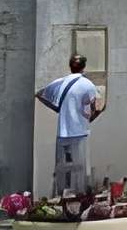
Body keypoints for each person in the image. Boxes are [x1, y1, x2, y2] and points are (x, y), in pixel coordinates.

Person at [35, 52, 103, 198]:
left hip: (62, 133)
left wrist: (57, 108)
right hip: (79, 133)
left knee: (62, 169)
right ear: (83, 67)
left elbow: (40, 94)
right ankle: (79, 200)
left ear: (70, 67)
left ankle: (62, 198)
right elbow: (98, 107)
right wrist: (88, 119)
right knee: (79, 171)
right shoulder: (87, 85)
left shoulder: (61, 82)